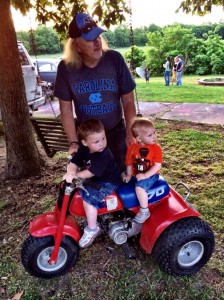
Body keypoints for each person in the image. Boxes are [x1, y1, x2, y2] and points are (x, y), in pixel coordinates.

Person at [54, 12, 137, 173]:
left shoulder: (114, 59)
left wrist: (130, 133)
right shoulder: (66, 68)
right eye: (89, 39)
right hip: (88, 139)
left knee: (122, 177)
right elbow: (66, 109)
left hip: (117, 133)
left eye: (98, 36)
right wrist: (73, 142)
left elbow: (128, 101)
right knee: (94, 182)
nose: (97, 42)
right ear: (77, 45)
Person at [63, 119, 121, 248]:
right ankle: (93, 218)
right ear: (85, 142)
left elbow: (90, 173)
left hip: (108, 181)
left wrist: (75, 176)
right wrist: (71, 172)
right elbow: (74, 162)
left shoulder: (105, 154)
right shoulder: (84, 149)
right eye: (96, 141)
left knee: (89, 199)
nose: (101, 144)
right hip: (95, 179)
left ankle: (92, 228)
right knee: (79, 192)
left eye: (103, 139)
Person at [122, 118, 162, 223]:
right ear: (139, 138)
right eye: (150, 135)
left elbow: (157, 166)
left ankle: (145, 210)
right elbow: (129, 162)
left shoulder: (156, 148)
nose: (154, 136)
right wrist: (129, 175)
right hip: (137, 174)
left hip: (151, 175)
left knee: (139, 188)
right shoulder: (132, 148)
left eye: (154, 132)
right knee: (122, 183)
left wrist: (145, 176)